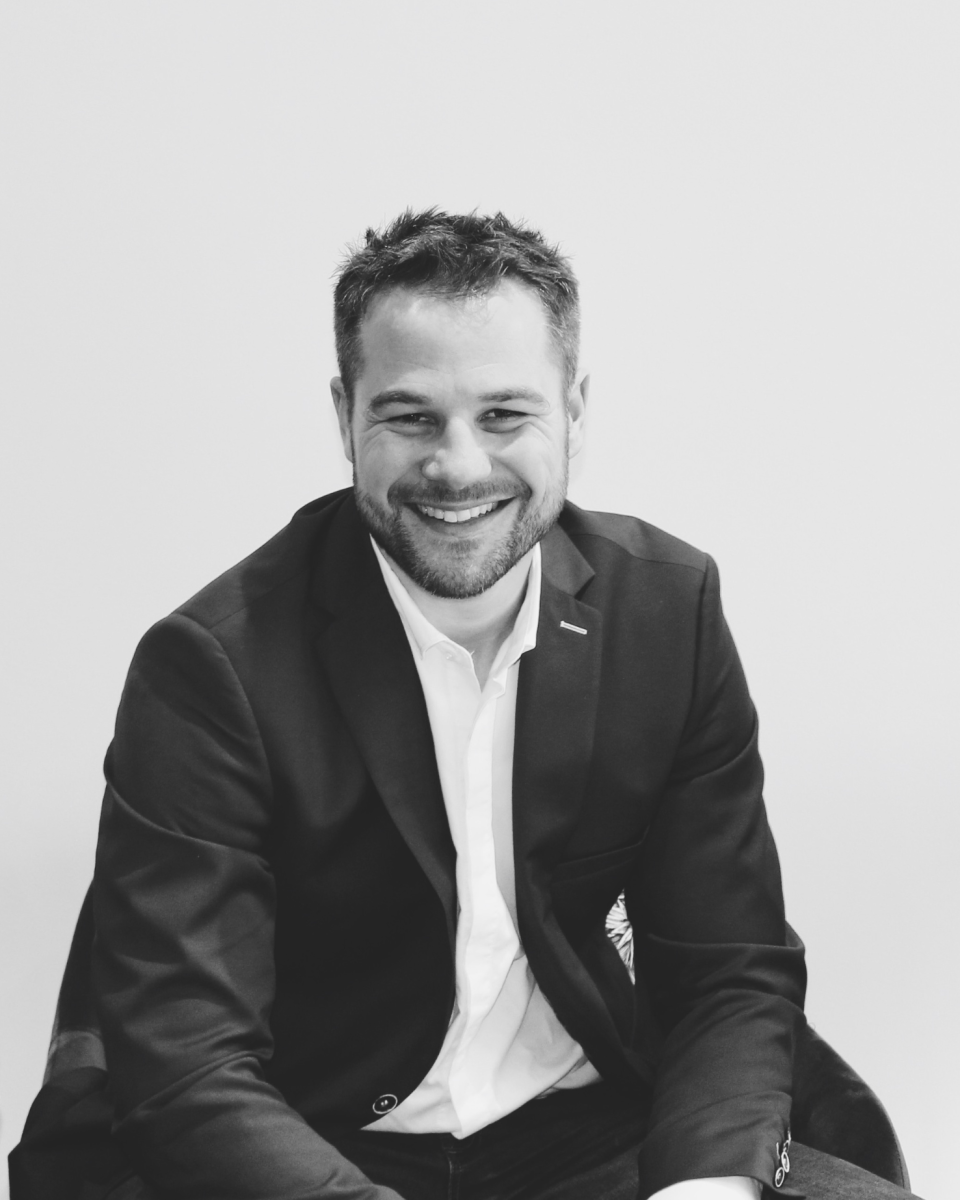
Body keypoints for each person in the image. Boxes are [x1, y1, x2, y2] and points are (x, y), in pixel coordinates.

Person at [13, 211, 919, 1200]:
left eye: (503, 415)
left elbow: (728, 972)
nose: (459, 466)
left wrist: (701, 1191)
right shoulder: (210, 667)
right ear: (345, 415)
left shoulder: (667, 613)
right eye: (410, 417)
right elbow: (188, 1064)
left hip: (584, 1133)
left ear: (575, 410)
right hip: (307, 1143)